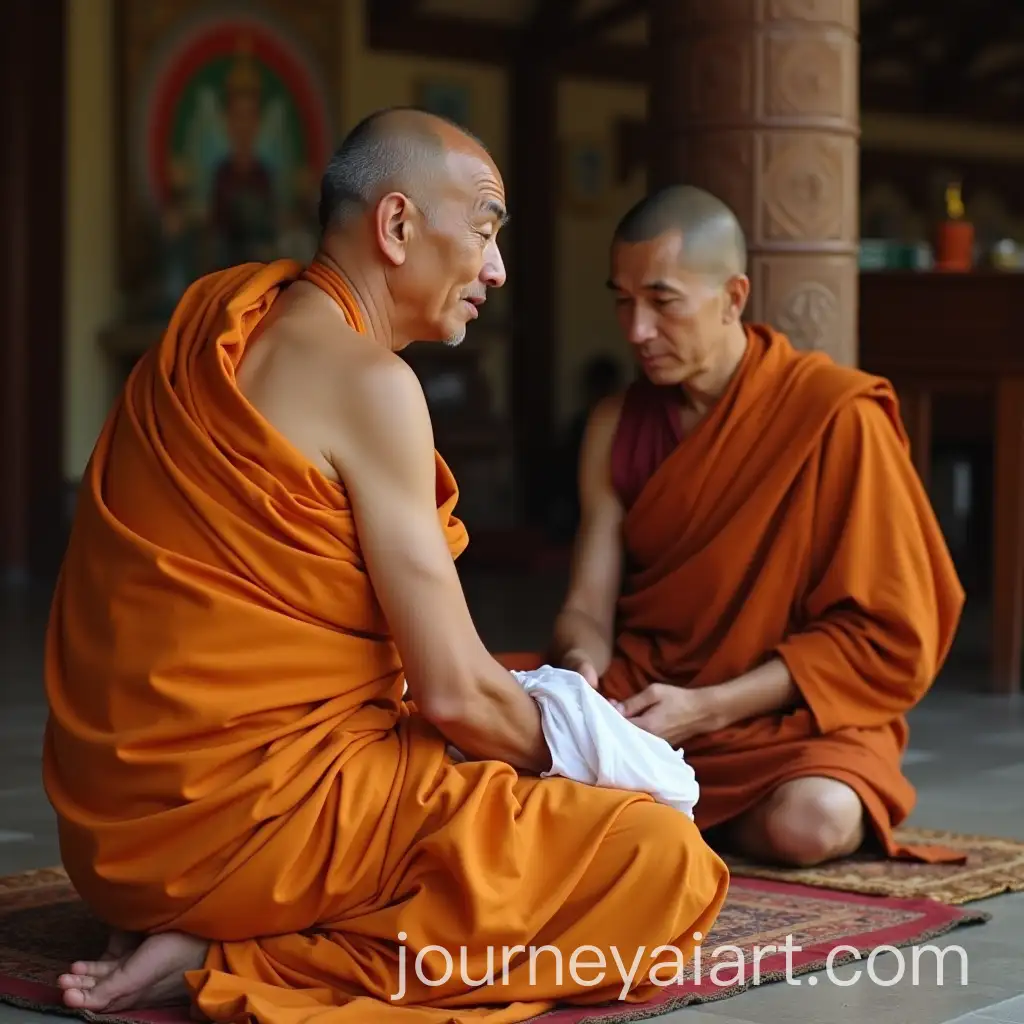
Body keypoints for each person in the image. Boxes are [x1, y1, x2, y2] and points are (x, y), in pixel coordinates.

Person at [42, 112, 729, 1023]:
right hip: (248, 841)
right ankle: (247, 952)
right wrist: (606, 759)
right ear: (398, 226)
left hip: (117, 843)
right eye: (485, 231)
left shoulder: (206, 329)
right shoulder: (374, 385)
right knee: (663, 861)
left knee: (514, 701)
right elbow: (451, 695)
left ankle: (215, 926)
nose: (497, 269)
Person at [541, 184, 966, 869]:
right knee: (457, 721)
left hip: (783, 718)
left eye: (662, 301)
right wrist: (583, 667)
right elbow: (587, 605)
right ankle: (663, 808)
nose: (636, 331)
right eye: (623, 301)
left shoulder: (834, 416)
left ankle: (659, 814)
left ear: (734, 297)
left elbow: (882, 631)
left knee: (815, 821)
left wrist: (708, 708)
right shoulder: (616, 424)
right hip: (646, 703)